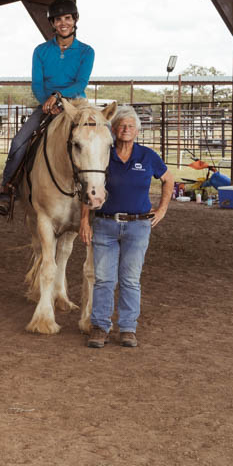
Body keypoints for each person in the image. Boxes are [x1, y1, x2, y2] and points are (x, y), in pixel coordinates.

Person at [78, 106, 173, 348]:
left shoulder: (147, 156)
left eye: (131, 126)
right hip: (105, 224)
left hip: (138, 226)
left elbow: (168, 179)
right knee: (103, 279)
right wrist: (84, 221)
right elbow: (90, 186)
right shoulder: (103, 154)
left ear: (137, 131)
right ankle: (100, 327)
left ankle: (128, 328)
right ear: (113, 129)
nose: (126, 129)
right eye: (121, 125)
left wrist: (162, 209)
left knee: (130, 279)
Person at [0, 0, 94, 215]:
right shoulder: (40, 51)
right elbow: (37, 84)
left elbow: (80, 83)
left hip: (75, 103)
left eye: (67, 18)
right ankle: (7, 189)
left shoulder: (86, 51)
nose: (63, 23)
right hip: (46, 105)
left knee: (102, 137)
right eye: (58, 19)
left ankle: (108, 190)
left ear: (75, 20)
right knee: (19, 142)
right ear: (52, 23)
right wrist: (47, 102)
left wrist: (58, 96)